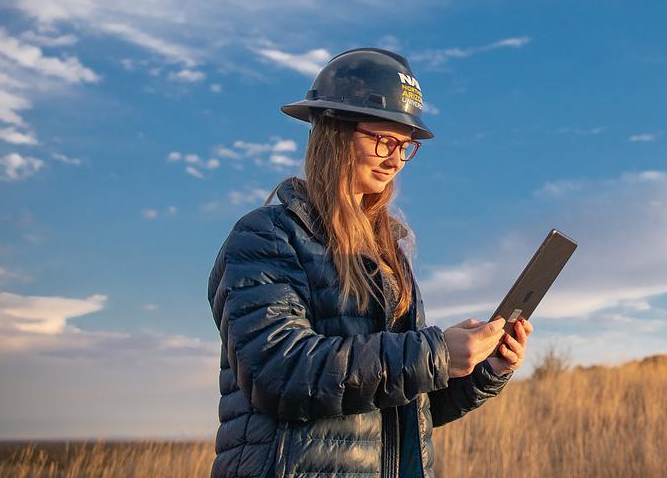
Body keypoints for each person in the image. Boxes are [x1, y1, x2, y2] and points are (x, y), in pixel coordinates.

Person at [208, 48, 532, 478]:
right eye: (384, 140)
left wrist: (482, 368)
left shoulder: (387, 254)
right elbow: (278, 371)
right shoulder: (266, 236)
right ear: (334, 132)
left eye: (406, 147)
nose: (396, 159)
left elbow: (403, 407)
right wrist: (433, 352)